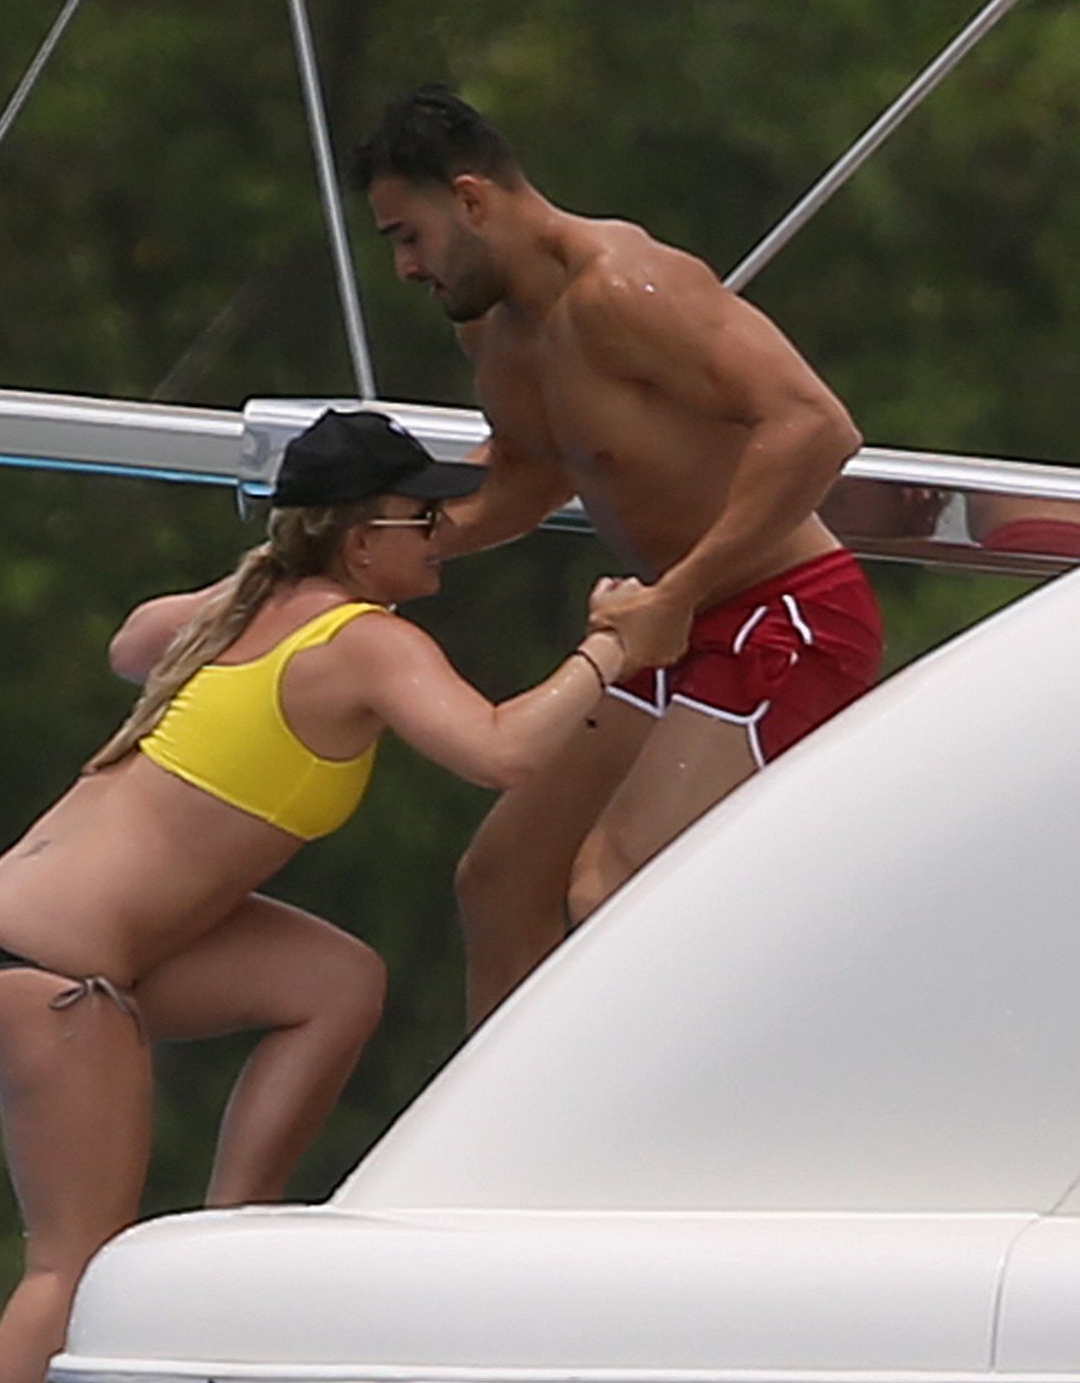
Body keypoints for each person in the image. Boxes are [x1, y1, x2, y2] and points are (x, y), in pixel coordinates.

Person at [0, 407, 689, 1383]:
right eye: (423, 517)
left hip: (85, 941)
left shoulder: (250, 609)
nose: (444, 534)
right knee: (67, 1267)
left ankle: (227, 1242)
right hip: (53, 970)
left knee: (336, 981)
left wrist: (258, 586)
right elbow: (503, 754)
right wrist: (612, 646)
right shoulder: (363, 641)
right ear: (359, 537)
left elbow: (131, 640)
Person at [353, 86, 884, 1025]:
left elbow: (815, 426)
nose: (403, 268)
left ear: (470, 200)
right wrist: (373, 547)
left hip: (787, 616)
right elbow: (529, 472)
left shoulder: (628, 287)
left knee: (612, 883)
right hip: (668, 623)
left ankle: (692, 1112)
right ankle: (510, 1122)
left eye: (408, 236)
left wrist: (680, 591)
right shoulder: (498, 332)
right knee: (499, 882)